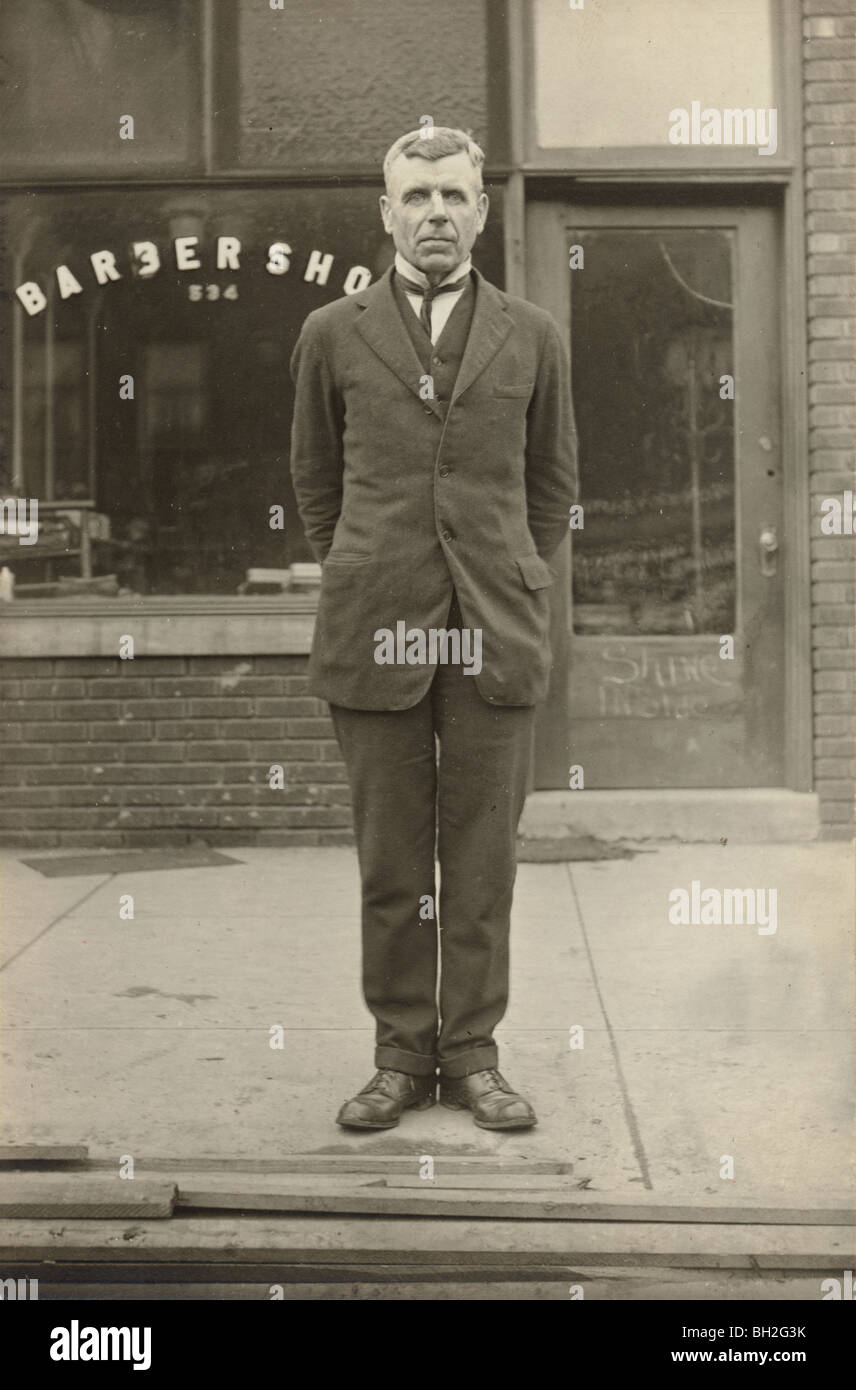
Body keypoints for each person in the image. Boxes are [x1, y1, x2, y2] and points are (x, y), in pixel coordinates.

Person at [289, 126, 577, 1131]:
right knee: (393, 862)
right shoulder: (332, 331)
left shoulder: (532, 334)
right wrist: (366, 572)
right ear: (386, 213)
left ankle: (473, 1055)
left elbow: (552, 491)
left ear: (483, 211)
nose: (436, 215)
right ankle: (401, 1056)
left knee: (484, 860)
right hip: (377, 631)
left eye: (454, 196)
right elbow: (315, 485)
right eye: (416, 197)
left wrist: (509, 576)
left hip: (491, 632)